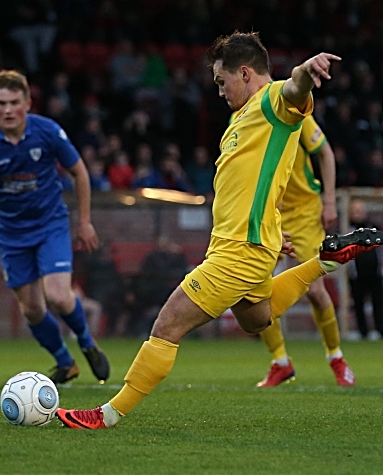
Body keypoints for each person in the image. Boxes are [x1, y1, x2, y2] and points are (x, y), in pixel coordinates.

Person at [57, 31, 381, 429]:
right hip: (252, 242)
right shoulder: (241, 118)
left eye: (221, 81)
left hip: (240, 250)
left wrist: (305, 70)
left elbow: (293, 88)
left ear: (245, 73)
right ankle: (324, 262)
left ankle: (106, 415)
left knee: (167, 324)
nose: (219, 90)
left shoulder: (271, 101)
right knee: (255, 319)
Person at [0, 70, 110, 385]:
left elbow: (80, 173)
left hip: (50, 225)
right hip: (12, 236)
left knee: (58, 295)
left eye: (15, 102)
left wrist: (84, 222)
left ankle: (86, 341)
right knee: (31, 309)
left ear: (28, 103)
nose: (8, 109)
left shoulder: (49, 132)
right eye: (2, 103)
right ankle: (65, 363)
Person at [257, 116, 355, 387]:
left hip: (304, 213)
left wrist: (330, 201)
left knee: (314, 289)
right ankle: (280, 362)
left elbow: (325, 152)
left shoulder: (292, 110)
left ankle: (336, 357)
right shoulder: (240, 118)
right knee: (254, 289)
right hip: (267, 213)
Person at [348, 199, 383, 340]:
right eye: (355, 211)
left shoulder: (373, 228)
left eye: (361, 210)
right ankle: (362, 332)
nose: (359, 214)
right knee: (358, 303)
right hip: (357, 274)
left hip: (375, 272)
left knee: (379, 302)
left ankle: (380, 330)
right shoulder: (348, 229)